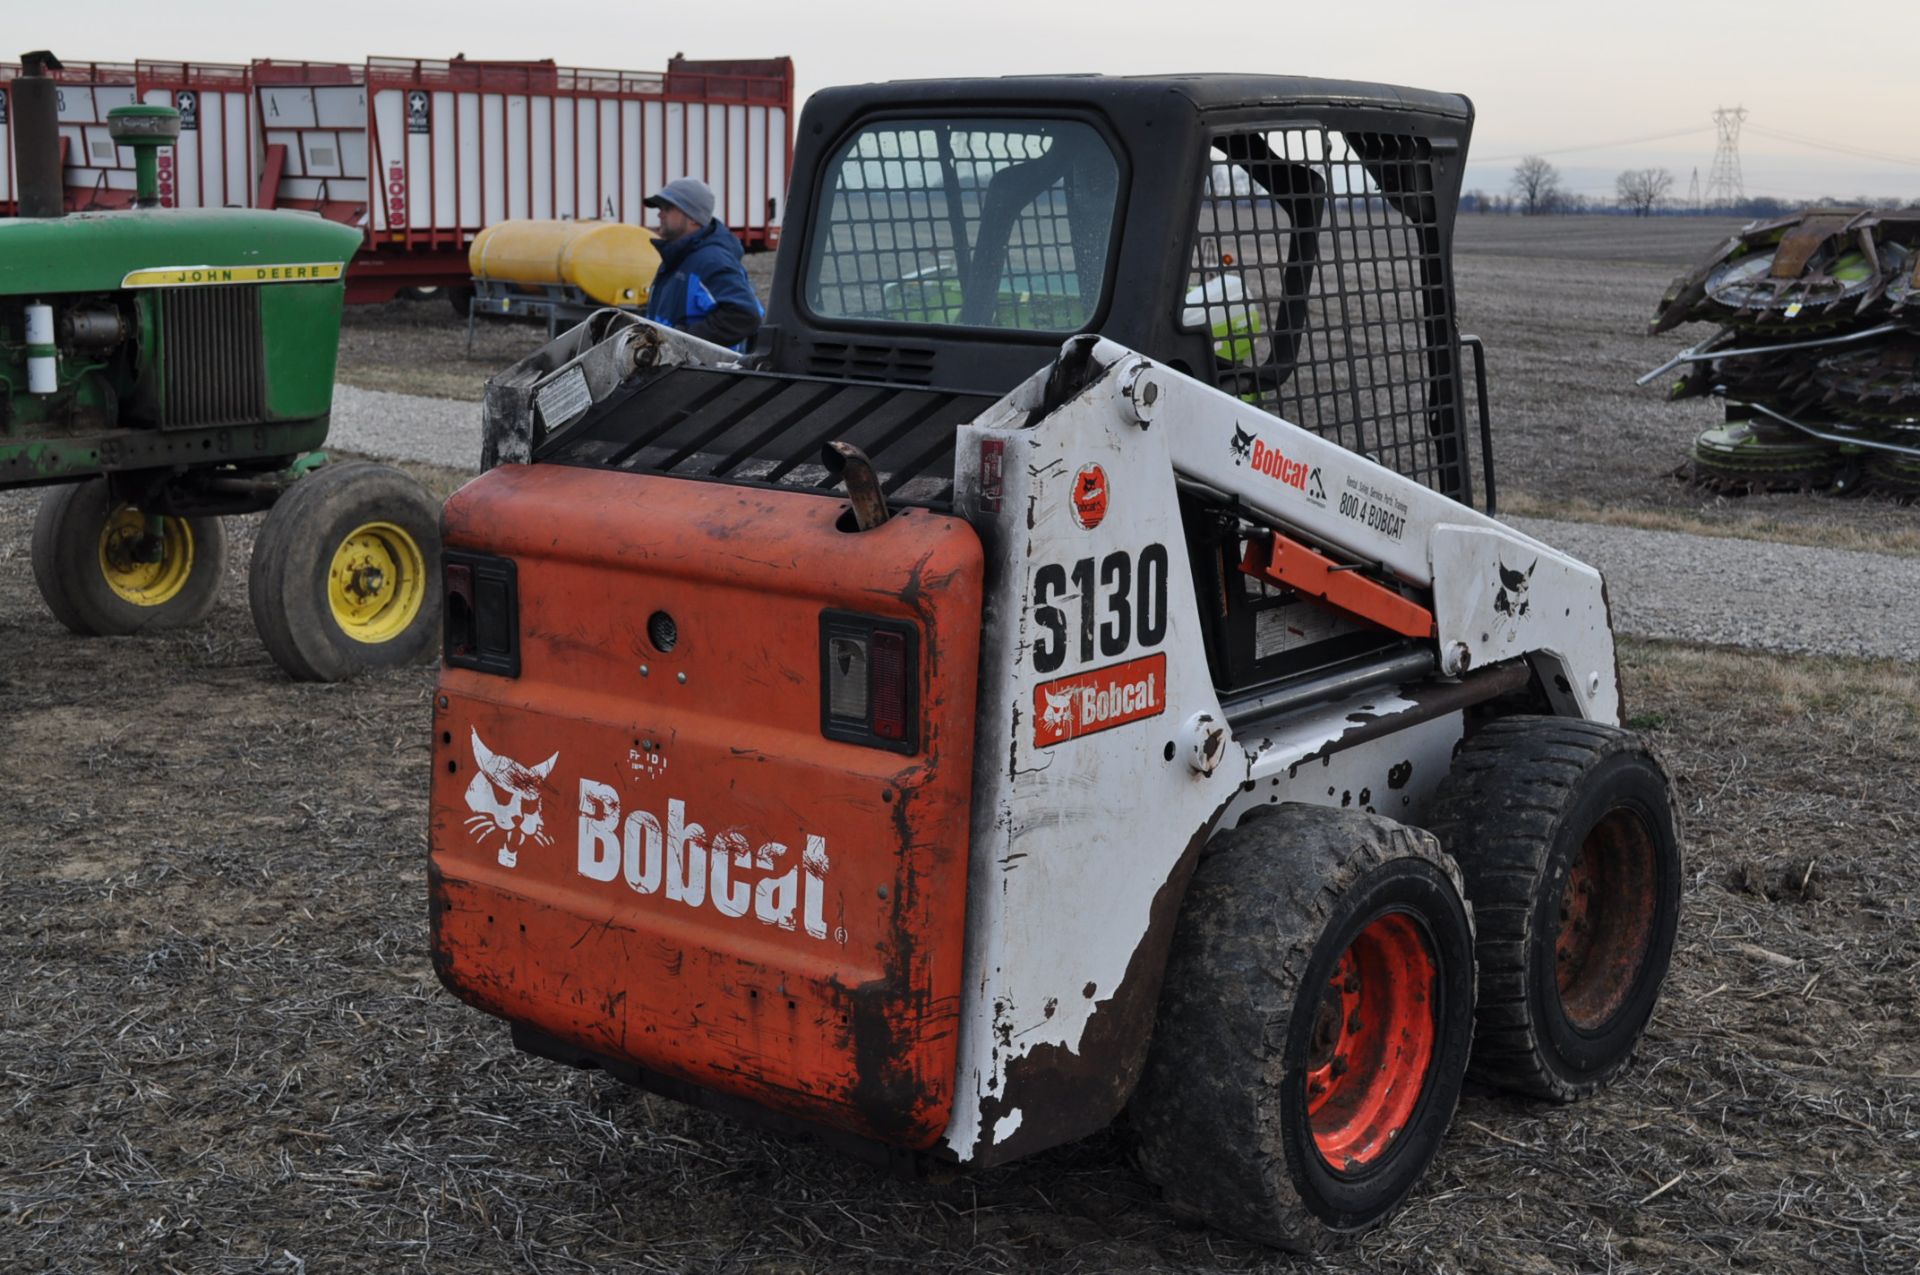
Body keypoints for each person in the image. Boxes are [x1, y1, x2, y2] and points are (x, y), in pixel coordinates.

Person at [642, 176, 763, 348]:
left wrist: (681, 343)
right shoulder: (678, 257)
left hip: (702, 373)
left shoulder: (711, 261)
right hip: (677, 371)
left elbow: (744, 315)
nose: (660, 214)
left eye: (668, 208)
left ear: (693, 218)